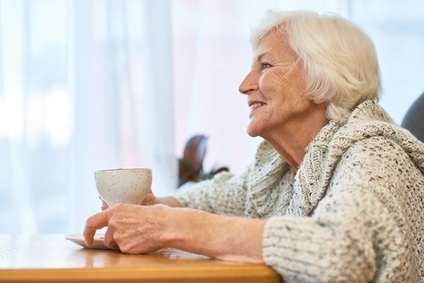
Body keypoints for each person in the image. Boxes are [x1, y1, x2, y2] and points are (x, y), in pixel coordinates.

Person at [84, 10, 424, 283]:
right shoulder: (283, 167)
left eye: (265, 65)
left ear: (323, 80)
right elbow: (217, 199)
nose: (244, 85)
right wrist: (152, 208)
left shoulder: (377, 154)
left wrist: (169, 225)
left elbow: (340, 253)